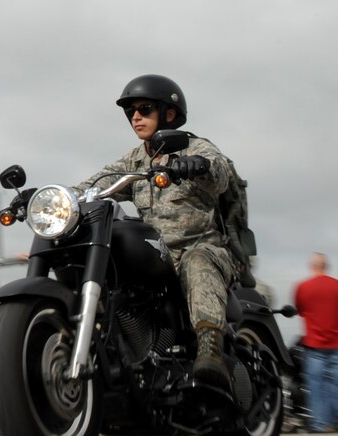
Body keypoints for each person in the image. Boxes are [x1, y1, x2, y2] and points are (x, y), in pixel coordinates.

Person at [72, 74, 240, 392]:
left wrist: (197, 165)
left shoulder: (195, 147)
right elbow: (96, 184)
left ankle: (210, 352)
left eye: (145, 108)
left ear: (169, 113)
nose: (136, 116)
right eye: (131, 111)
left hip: (202, 246)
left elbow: (220, 171)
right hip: (157, 252)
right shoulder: (134, 160)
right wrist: (57, 197)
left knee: (198, 260)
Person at [294, 253, 338, 433]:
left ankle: (320, 423)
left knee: (316, 385)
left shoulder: (302, 287)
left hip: (314, 343)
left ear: (311, 265)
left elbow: (300, 310)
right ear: (326, 265)